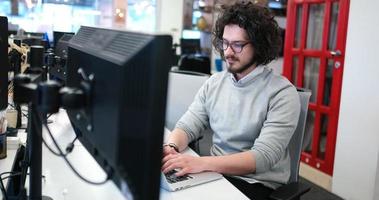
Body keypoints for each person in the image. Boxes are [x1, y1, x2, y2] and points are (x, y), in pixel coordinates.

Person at [162, 1, 300, 199]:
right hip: (215, 172)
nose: (227, 52)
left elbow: (262, 158)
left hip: (256, 183)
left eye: (237, 45)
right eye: (225, 43)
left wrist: (201, 163)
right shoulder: (215, 83)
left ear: (259, 45)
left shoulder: (282, 93)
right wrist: (171, 148)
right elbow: (188, 125)